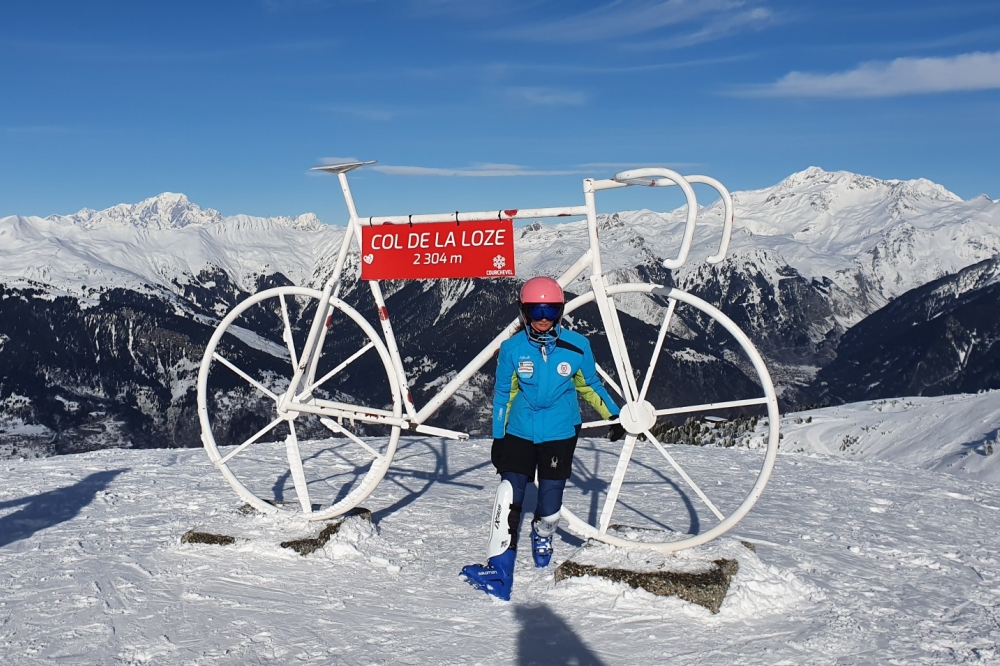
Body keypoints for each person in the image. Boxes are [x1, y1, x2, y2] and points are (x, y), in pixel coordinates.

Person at [461, 276, 626, 601]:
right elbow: (504, 394)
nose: (543, 317)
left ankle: (543, 532)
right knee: (509, 494)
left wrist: (613, 414)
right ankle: (499, 570)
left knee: (550, 501)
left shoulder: (577, 346)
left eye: (550, 309)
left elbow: (589, 384)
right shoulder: (512, 348)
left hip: (559, 432)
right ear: (524, 312)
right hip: (520, 430)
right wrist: (499, 436)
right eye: (535, 309)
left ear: (561, 310)